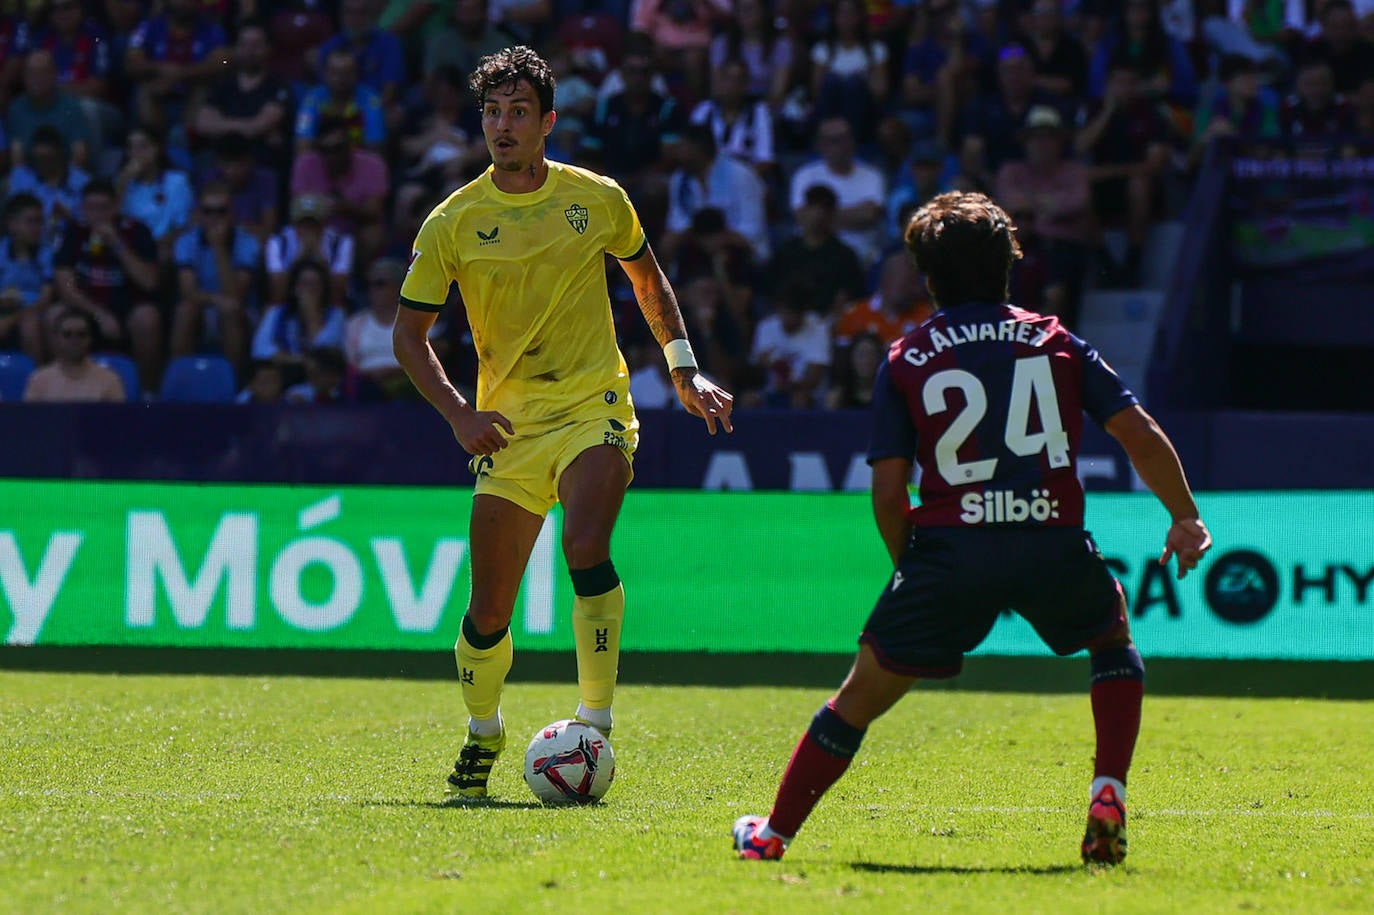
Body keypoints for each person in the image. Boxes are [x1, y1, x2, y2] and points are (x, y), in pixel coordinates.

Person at [732, 191, 1212, 865]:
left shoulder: (906, 358)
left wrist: (913, 567)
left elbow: (888, 489)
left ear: (928, 278)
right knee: (1111, 635)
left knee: (858, 698)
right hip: (1050, 538)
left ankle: (772, 834)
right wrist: (1184, 515)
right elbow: (1139, 430)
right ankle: (1107, 789)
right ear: (1010, 264)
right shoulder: (1057, 340)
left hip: (951, 552)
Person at [391, 46, 734, 799]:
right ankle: (483, 734)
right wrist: (458, 413)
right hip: (506, 428)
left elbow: (648, 278)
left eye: (518, 111)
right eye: (491, 112)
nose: (502, 125)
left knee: (585, 542)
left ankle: (595, 724)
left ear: (547, 121)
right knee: (487, 613)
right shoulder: (455, 219)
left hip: (593, 404)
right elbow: (407, 337)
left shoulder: (598, 198)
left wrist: (683, 367)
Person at [22, 307, 125, 402]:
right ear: (56, 339)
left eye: (81, 334)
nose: (74, 340)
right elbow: (30, 420)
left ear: (90, 339)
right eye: (67, 334)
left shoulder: (110, 380)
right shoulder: (39, 380)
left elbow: (119, 420)